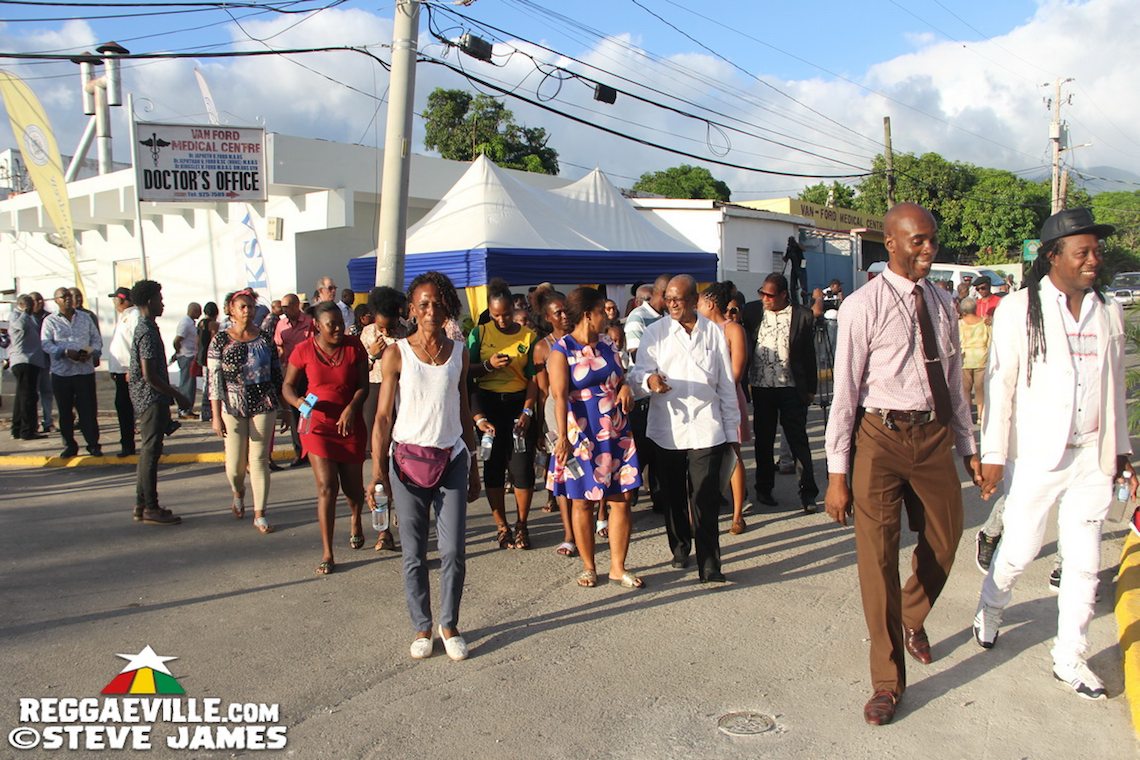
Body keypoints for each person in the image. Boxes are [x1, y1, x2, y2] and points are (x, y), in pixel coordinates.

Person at [823, 202, 981, 726]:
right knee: (877, 561)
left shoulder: (940, 300)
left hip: (934, 434)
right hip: (880, 438)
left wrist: (968, 447)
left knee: (947, 536)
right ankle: (887, 682)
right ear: (890, 243)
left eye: (932, 239)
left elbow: (955, 380)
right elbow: (844, 392)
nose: (928, 249)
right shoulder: (862, 306)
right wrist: (838, 473)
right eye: (918, 241)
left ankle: (911, 615)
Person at [972, 208, 1132, 701]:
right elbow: (999, 383)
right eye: (1082, 252)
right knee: (1019, 549)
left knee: (1083, 561)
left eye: (1096, 251)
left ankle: (1069, 656)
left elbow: (1116, 385)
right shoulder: (1021, 309)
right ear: (1053, 257)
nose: (1093, 259)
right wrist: (994, 452)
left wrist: (1122, 450)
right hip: (1041, 456)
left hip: (1091, 455)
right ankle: (991, 608)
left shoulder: (1108, 309)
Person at [369, 271, 481, 661]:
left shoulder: (458, 352)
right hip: (406, 463)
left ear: (447, 305)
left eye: (437, 302)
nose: (431, 310)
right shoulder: (396, 353)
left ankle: (449, 625)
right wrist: (378, 471)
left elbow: (463, 410)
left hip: (451, 457)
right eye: (423, 303)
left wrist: (474, 465)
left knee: (453, 550)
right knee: (414, 552)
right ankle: (422, 626)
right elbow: (383, 417)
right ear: (411, 309)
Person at [628, 275, 739, 583]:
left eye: (679, 299)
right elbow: (638, 374)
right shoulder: (655, 334)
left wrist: (732, 433)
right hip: (669, 429)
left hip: (707, 426)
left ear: (693, 300)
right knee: (674, 495)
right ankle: (679, 546)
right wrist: (650, 381)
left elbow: (726, 385)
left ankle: (710, 565)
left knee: (705, 498)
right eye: (669, 299)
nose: (673, 304)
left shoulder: (714, 334)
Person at [548, 287, 643, 588]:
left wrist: (626, 387)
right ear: (589, 314)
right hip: (581, 435)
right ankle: (589, 566)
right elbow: (559, 396)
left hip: (615, 432)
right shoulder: (562, 349)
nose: (607, 316)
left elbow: (622, 376)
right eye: (602, 311)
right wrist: (563, 437)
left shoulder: (607, 344)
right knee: (582, 502)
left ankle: (617, 567)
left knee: (621, 498)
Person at [283, 300, 369, 574]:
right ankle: (328, 552)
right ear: (317, 326)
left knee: (353, 489)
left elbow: (363, 386)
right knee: (326, 487)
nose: (337, 329)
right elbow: (287, 385)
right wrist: (298, 404)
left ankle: (355, 517)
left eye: (340, 324)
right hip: (317, 425)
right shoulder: (303, 350)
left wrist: (351, 409)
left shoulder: (354, 345)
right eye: (331, 325)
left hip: (349, 423)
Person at [467, 279, 539, 550]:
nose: (501, 320)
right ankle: (501, 526)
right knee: (494, 468)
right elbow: (467, 374)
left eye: (506, 314)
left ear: (514, 308)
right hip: (487, 405)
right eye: (496, 315)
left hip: (518, 404)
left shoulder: (528, 336)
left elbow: (534, 379)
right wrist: (488, 365)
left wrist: (528, 411)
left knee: (521, 468)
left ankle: (522, 524)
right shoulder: (480, 334)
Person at [208, 288, 283, 535]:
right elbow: (213, 380)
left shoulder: (264, 339)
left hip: (264, 403)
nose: (248, 311)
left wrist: (282, 406)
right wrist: (216, 415)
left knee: (259, 459)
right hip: (232, 406)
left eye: (251, 306)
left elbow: (276, 373)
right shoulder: (220, 340)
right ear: (231, 310)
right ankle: (238, 491)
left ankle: (260, 512)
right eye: (242, 307)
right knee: (235, 465)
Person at [743, 273, 819, 512]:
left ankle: (808, 493)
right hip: (762, 388)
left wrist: (811, 389)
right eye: (762, 293)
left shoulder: (802, 315)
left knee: (798, 441)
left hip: (790, 387)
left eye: (770, 295)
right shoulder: (752, 312)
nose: (765, 298)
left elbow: (809, 356)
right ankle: (763, 489)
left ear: (784, 295)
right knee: (763, 441)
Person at [128, 280, 190, 526]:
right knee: (150, 452)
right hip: (150, 398)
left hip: (149, 397)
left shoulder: (147, 327)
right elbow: (149, 374)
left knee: (149, 452)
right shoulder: (146, 330)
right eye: (160, 299)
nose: (162, 303)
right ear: (149, 301)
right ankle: (150, 507)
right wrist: (177, 393)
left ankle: (142, 504)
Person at [698, 282, 751, 533]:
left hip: (727, 397)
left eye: (698, 303)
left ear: (709, 304)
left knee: (733, 453)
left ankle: (738, 514)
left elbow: (737, 370)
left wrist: (715, 389)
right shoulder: (700, 330)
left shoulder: (733, 330)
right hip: (704, 401)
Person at [531, 287, 577, 557]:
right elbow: (543, 392)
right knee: (562, 470)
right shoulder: (542, 347)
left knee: (587, 468)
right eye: (558, 312)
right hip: (555, 413)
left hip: (583, 410)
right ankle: (569, 533)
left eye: (566, 310)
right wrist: (541, 428)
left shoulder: (582, 339)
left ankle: (597, 517)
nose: (564, 316)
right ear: (548, 317)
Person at [360, 285, 407, 551]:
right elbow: (358, 370)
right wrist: (372, 354)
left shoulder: (406, 333)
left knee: (402, 460)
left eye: (391, 326)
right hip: (375, 394)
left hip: (401, 396)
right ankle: (383, 530)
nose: (387, 331)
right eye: (382, 325)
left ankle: (405, 510)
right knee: (379, 462)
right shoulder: (366, 334)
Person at [624, 273, 670, 513]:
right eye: (670, 296)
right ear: (660, 294)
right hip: (642, 396)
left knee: (659, 450)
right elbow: (635, 354)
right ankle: (626, 498)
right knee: (641, 450)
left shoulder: (667, 317)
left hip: (662, 395)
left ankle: (660, 500)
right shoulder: (637, 317)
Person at [41, 287, 103, 458]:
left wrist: (89, 352)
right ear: (56, 301)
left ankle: (93, 444)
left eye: (69, 295)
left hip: (84, 372)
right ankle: (69, 445)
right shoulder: (50, 321)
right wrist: (65, 352)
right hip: (62, 374)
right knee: (65, 412)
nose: (68, 298)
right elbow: (46, 344)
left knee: (88, 411)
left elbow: (96, 340)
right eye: (64, 296)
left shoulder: (85, 318)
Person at [274, 293, 314, 468]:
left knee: (310, 410)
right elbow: (279, 346)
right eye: (282, 307)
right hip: (291, 374)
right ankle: (300, 451)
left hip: (309, 373)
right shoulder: (281, 325)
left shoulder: (309, 323)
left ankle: (313, 449)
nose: (284, 310)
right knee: (295, 412)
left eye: (287, 306)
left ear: (297, 305)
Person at [106, 287, 140, 456]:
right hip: (120, 371)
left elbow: (136, 344)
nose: (114, 302)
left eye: (116, 299)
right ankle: (127, 443)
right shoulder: (124, 316)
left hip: (129, 371)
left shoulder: (134, 316)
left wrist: (131, 368)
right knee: (123, 408)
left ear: (123, 300)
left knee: (128, 408)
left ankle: (128, 445)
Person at [8, 294, 46, 440]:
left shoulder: (29, 317)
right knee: (28, 397)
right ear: (23, 305)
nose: (34, 307)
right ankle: (27, 430)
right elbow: (19, 328)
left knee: (21, 397)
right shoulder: (17, 316)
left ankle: (17, 428)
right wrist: (25, 312)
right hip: (24, 360)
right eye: (30, 304)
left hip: (32, 361)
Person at [957, 296, 989, 423]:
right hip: (981, 358)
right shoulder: (985, 322)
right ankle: (981, 416)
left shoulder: (960, 324)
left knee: (966, 390)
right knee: (980, 389)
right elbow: (990, 339)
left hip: (965, 359)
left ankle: (968, 416)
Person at [28, 292, 54, 432]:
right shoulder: (26, 318)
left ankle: (48, 421)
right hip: (31, 361)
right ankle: (33, 423)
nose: (38, 302)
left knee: (47, 392)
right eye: (34, 300)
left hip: (46, 360)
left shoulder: (49, 317)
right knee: (32, 394)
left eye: (40, 300)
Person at [173, 302, 201, 419]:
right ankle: (184, 409)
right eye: (198, 311)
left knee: (190, 384)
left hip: (190, 356)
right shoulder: (185, 323)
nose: (200, 314)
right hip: (186, 356)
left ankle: (187, 408)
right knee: (187, 384)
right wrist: (180, 352)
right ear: (193, 311)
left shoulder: (190, 323)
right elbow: (177, 340)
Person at [196, 303, 219, 423]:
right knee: (210, 385)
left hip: (201, 355)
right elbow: (214, 340)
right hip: (209, 357)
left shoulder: (200, 323)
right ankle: (207, 412)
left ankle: (204, 412)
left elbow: (197, 340)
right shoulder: (213, 324)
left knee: (206, 383)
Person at [784, 236, 807, 305]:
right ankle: (795, 302)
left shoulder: (798, 247)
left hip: (801, 267)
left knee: (803, 286)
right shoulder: (789, 249)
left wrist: (797, 244)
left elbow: (804, 249)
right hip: (794, 268)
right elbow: (786, 259)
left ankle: (805, 302)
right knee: (792, 287)